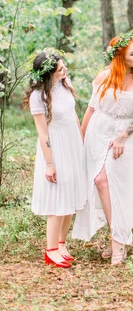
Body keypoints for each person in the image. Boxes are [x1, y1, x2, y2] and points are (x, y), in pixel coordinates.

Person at [72, 31, 133, 264]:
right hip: (98, 131)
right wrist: (80, 140)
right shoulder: (104, 77)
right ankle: (116, 238)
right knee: (99, 180)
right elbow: (90, 109)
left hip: (124, 134)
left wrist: (122, 136)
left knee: (119, 186)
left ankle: (118, 237)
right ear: (120, 57)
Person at [25, 49, 87, 268]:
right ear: (48, 73)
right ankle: (50, 250)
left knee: (69, 195)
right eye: (60, 69)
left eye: (64, 67)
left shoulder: (64, 83)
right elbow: (43, 133)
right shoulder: (38, 96)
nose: (64, 70)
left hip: (71, 144)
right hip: (55, 147)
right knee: (58, 198)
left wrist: (80, 139)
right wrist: (50, 164)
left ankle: (61, 243)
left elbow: (73, 114)